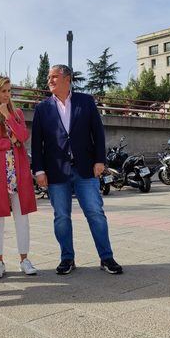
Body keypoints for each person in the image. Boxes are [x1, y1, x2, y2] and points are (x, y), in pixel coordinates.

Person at [31, 64, 122, 275]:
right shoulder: (42, 108)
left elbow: (97, 133)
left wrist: (100, 160)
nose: (50, 81)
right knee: (61, 216)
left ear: (67, 78)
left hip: (85, 168)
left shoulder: (86, 101)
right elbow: (37, 143)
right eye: (48, 78)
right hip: (55, 171)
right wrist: (39, 171)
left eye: (54, 77)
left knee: (95, 213)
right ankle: (67, 258)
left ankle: (106, 257)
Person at [0, 76, 38, 279]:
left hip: (17, 173)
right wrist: (6, 142)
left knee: (22, 219)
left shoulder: (17, 113)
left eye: (9, 91)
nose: (7, 95)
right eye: (3, 91)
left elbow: (22, 137)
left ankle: (24, 260)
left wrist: (8, 118)